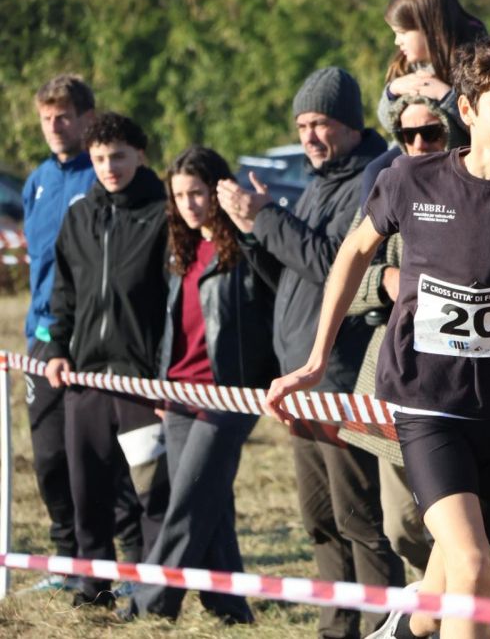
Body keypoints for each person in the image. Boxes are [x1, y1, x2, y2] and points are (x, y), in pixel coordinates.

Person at [264, 31, 490, 639]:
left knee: (446, 586)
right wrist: (315, 360)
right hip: (427, 405)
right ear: (467, 110)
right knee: (474, 568)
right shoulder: (410, 179)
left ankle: (402, 630)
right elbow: (352, 256)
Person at [217, 66, 402, 638]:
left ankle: (383, 625)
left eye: (320, 124)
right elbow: (293, 273)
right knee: (319, 518)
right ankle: (335, 628)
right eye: (301, 126)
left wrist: (267, 218)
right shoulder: (318, 182)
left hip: (343, 380)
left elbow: (329, 265)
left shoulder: (372, 180)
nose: (309, 137)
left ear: (350, 123)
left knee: (361, 518)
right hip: (301, 381)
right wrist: (254, 233)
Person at [121, 147, 281, 623]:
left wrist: (257, 225)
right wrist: (161, 385)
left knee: (189, 499)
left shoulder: (247, 246)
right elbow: (174, 325)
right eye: (180, 195)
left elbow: (279, 298)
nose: (189, 204)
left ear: (218, 191)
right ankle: (230, 606)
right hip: (178, 393)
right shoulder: (182, 247)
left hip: (227, 394)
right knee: (209, 499)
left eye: (197, 193)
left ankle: (151, 604)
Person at [20, 75, 146, 590]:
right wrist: (49, 333)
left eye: (64, 116)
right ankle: (67, 559)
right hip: (44, 338)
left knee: (110, 461)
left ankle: (129, 563)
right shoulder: (36, 181)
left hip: (103, 342)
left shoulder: (102, 179)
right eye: (46, 117)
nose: (54, 126)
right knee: (51, 458)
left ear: (87, 119)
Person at [44, 112, 171, 609]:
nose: (109, 167)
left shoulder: (163, 214)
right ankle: (92, 588)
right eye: (99, 158)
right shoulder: (79, 215)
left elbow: (172, 301)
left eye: (118, 156)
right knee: (88, 492)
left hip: (142, 382)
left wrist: (164, 376)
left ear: (140, 154)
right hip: (86, 377)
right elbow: (63, 294)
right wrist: (56, 348)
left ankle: (152, 592)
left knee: (150, 493)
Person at [341, 93, 457, 578]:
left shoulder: (482, 189)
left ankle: (461, 599)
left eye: (431, 132)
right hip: (397, 375)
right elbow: (344, 275)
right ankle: (451, 597)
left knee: (461, 530)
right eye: (409, 135)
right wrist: (384, 280)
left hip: (465, 380)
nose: (420, 144)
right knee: (403, 526)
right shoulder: (390, 186)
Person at [377, 0, 486, 141]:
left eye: (402, 33)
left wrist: (445, 96)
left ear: (431, 29)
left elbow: (485, 127)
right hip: (413, 152)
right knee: (380, 160)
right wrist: (392, 91)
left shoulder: (478, 68)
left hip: (460, 153)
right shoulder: (406, 66)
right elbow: (389, 124)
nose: (397, 41)